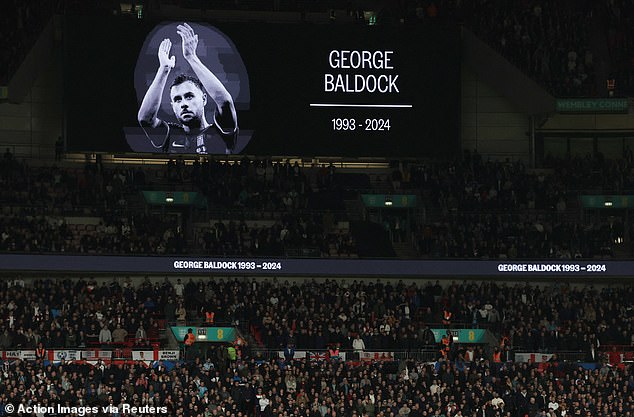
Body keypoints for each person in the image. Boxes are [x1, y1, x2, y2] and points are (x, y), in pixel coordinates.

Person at [138, 23, 238, 155]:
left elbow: (225, 101)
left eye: (189, 96)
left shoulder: (220, 131)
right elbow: (145, 119)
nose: (184, 104)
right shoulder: (170, 134)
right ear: (173, 106)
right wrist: (164, 69)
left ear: (204, 99)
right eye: (177, 99)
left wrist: (192, 57)